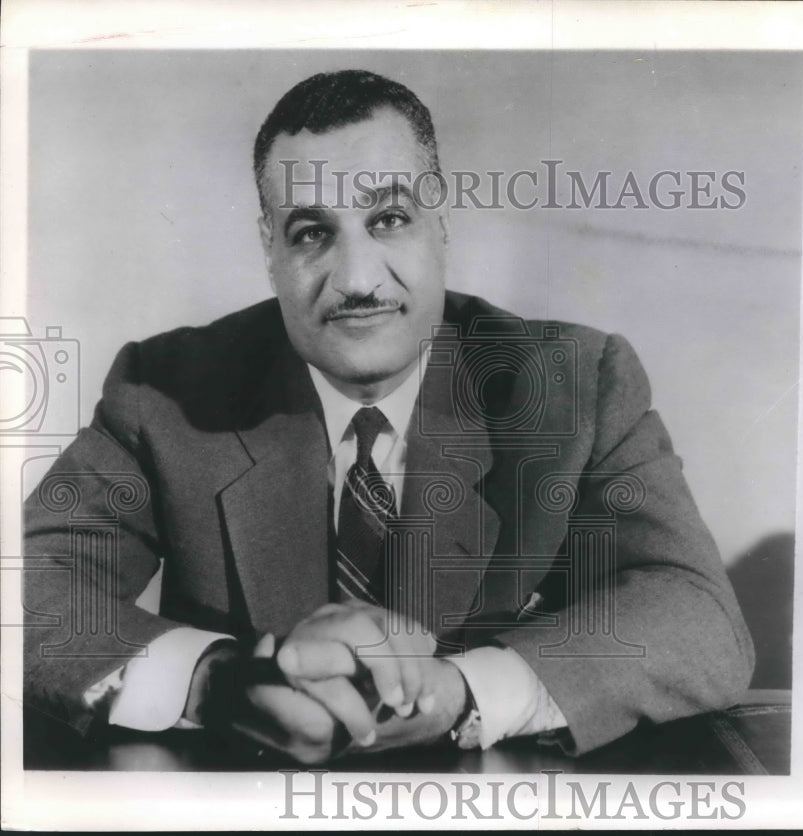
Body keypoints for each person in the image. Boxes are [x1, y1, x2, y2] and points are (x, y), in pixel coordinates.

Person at [23, 69, 753, 764]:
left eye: (390, 218)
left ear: (441, 228)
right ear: (268, 251)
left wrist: (466, 691)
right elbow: (24, 585)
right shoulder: (168, 391)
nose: (359, 280)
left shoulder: (573, 383)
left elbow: (696, 614)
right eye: (311, 232)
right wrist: (216, 682)